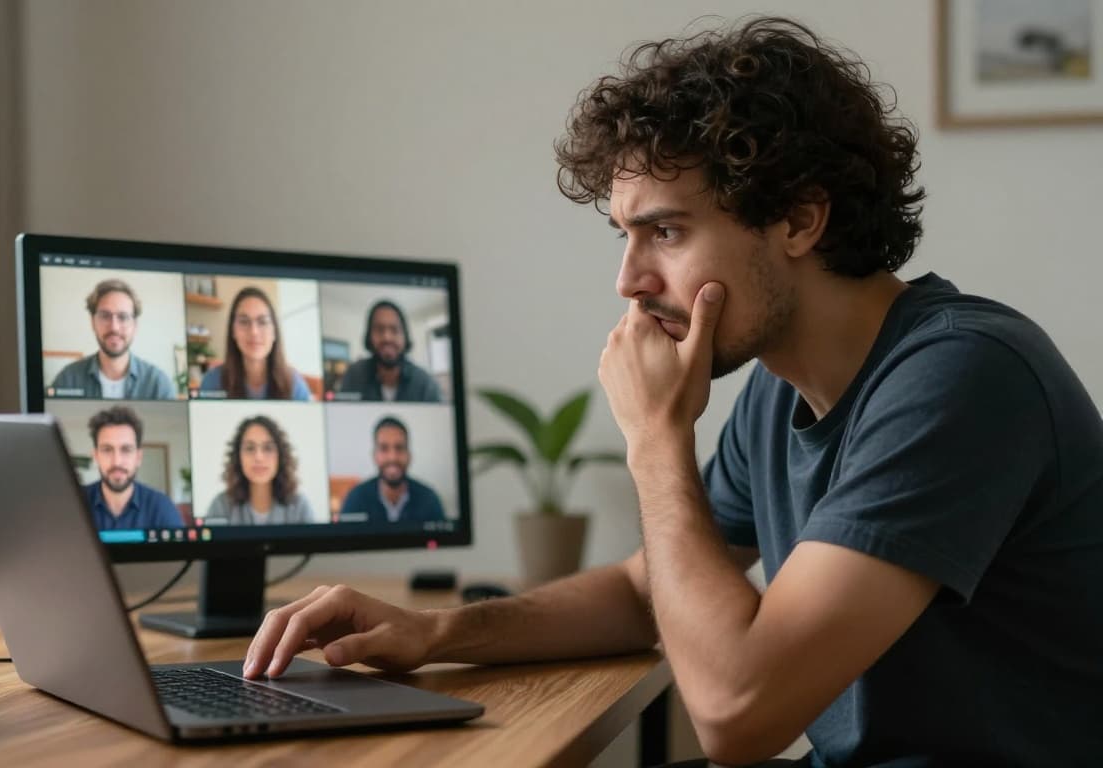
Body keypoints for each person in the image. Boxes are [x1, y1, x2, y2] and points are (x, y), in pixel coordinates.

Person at [241, 17, 1103, 767]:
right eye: (625, 235)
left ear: (801, 219)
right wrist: (433, 634)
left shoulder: (962, 376)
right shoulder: (779, 388)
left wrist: (656, 441)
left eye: (666, 230)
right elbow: (640, 590)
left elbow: (737, 714)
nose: (629, 278)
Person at [50, 279, 176, 400]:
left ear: (135, 326)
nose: (114, 327)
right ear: (93, 322)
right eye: (105, 316)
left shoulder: (158, 384)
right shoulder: (67, 379)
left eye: (123, 317)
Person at [200, 286, 313, 400]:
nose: (254, 332)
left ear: (274, 332)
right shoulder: (211, 383)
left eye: (263, 322)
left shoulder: (295, 385)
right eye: (244, 322)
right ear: (233, 331)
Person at [202, 415, 316, 525]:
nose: (259, 457)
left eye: (268, 448)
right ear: (238, 457)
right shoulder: (220, 506)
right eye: (250, 448)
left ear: (280, 456)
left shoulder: (300, 506)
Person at [84, 406, 183, 531]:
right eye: (107, 450)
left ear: (138, 457)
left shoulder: (162, 507)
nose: (117, 462)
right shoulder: (74, 505)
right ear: (96, 456)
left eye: (126, 450)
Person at [338, 416, 445, 524]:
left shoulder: (429, 499)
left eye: (399, 448)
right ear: (374, 455)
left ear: (409, 454)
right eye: (384, 448)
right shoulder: (356, 499)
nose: (392, 457)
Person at [336, 300, 442, 402]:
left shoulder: (425, 383)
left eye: (394, 329)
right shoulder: (354, 376)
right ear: (369, 335)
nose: (387, 338)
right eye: (379, 329)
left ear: (405, 336)